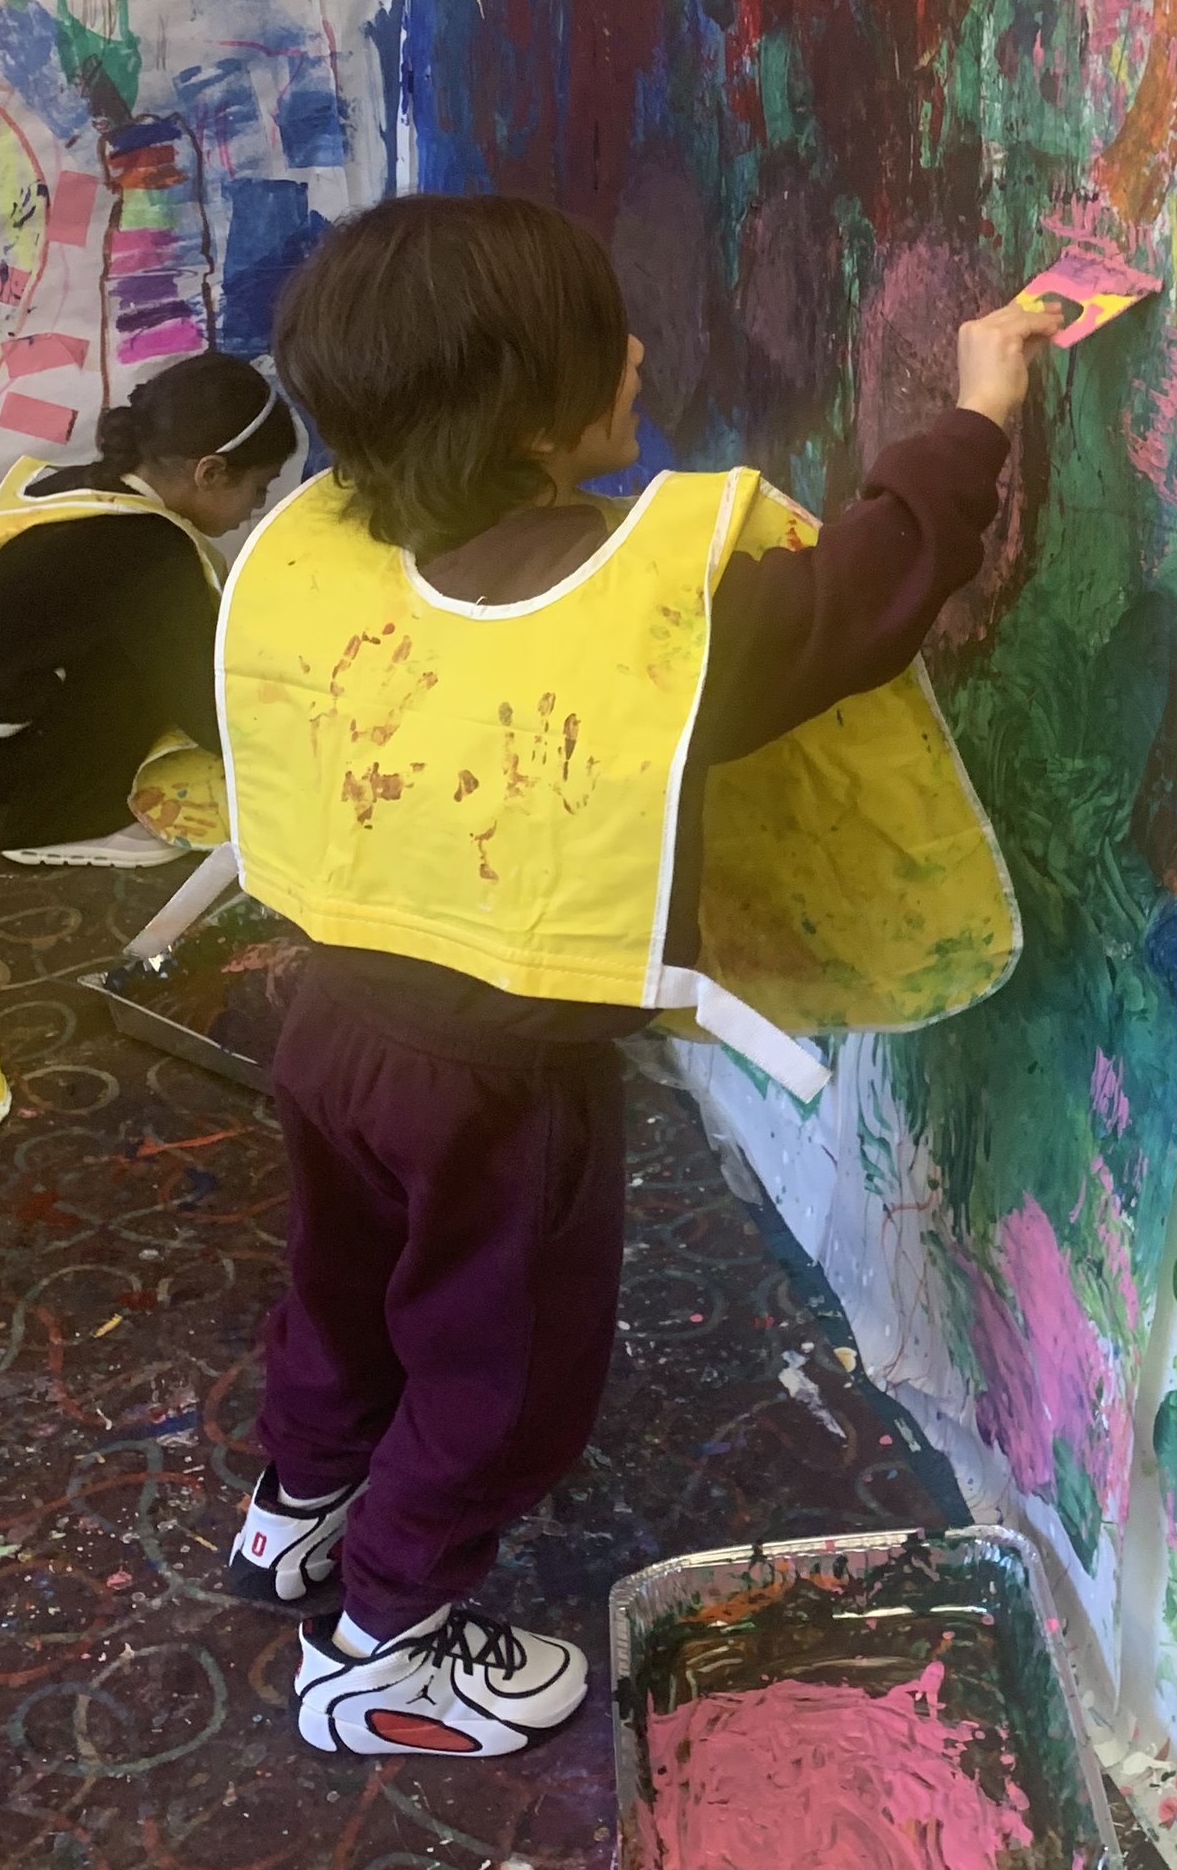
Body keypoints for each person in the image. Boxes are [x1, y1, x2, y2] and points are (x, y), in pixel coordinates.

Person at [217, 193, 1054, 1760]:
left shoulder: (329, 562)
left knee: (340, 1286)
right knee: (502, 1376)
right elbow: (864, 592)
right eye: (610, 341)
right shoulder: (646, 618)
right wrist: (978, 417)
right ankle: (383, 1647)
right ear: (535, 418)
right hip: (496, 1088)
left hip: (327, 1024)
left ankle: (298, 1507)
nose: (643, 354)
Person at [0, 352, 299, 867]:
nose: (256, 508)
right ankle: (62, 826)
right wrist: (284, 753)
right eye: (259, 489)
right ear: (210, 472)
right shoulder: (152, 551)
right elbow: (200, 700)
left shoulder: (81, 484)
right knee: (144, 677)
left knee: (87, 649)